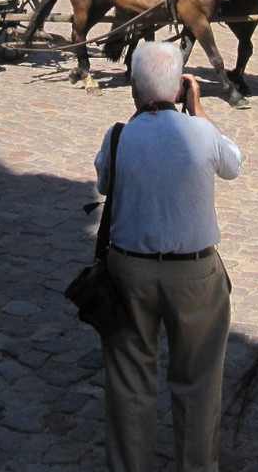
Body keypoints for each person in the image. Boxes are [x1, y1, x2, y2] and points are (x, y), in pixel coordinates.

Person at [94, 41, 241, 472]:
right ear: (180, 88)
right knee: (199, 383)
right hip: (195, 272)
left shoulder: (118, 137)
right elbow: (233, 165)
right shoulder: (202, 132)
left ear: (133, 87)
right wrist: (198, 110)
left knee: (129, 383)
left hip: (129, 270)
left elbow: (103, 184)